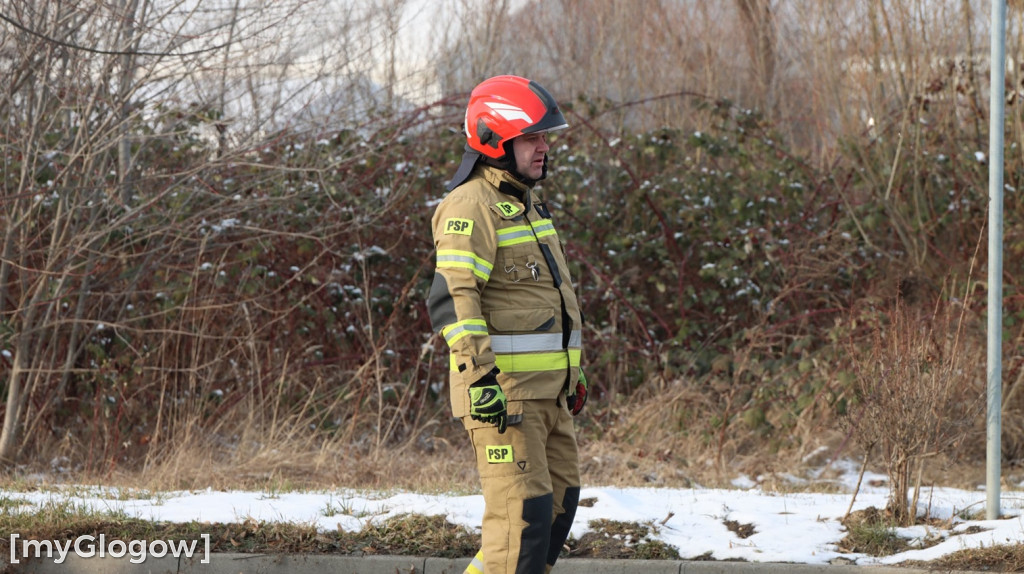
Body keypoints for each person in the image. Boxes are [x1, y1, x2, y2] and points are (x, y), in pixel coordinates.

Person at [426, 75, 589, 574]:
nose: (544, 148)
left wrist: (573, 371)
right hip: (504, 396)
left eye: (545, 137)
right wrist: (480, 379)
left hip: (549, 393)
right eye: (532, 137)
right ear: (495, 138)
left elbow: (545, 299)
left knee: (554, 513)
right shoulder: (469, 205)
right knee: (520, 526)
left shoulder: (527, 202)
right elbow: (453, 300)